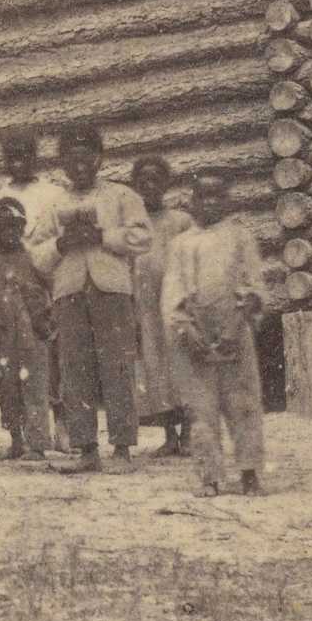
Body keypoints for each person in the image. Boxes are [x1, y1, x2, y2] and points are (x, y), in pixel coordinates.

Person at [32, 124, 153, 472]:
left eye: (87, 160)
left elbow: (142, 237)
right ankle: (86, 448)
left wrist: (103, 236)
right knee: (75, 369)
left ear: (99, 160)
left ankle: (122, 448)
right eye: (72, 162)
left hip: (111, 291)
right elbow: (36, 253)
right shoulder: (55, 205)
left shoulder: (121, 197)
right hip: (69, 292)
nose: (80, 168)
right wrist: (60, 244)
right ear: (63, 166)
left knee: (117, 366)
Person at [163, 168, 272, 498]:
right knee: (201, 408)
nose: (209, 203)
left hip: (234, 332)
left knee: (243, 403)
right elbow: (172, 291)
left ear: (228, 200)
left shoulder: (240, 238)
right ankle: (209, 475)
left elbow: (254, 286)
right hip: (195, 336)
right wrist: (185, 328)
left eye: (217, 196)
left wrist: (237, 324)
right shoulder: (181, 244)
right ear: (192, 201)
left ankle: (250, 471)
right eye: (202, 196)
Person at [131, 156, 198, 458]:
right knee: (155, 368)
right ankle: (169, 435)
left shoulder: (180, 221)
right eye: (142, 181)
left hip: (175, 302)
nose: (149, 186)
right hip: (145, 306)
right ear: (135, 186)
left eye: (155, 180)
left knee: (181, 365)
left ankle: (188, 434)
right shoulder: (132, 223)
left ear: (166, 184)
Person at [0, 197, 54, 461]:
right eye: (2, 227)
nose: (9, 232)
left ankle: (37, 443)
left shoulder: (34, 260)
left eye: (14, 226)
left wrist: (46, 318)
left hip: (32, 335)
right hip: (3, 338)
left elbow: (51, 287)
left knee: (34, 388)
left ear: (22, 228)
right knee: (8, 389)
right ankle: (16, 440)